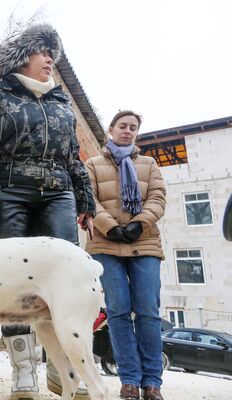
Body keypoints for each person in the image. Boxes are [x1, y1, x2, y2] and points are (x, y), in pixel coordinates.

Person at [0, 23, 95, 400]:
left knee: (63, 278)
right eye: (43, 51)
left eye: (53, 52)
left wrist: (85, 202)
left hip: (58, 194)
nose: (50, 59)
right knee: (13, 280)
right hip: (9, 193)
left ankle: (62, 367)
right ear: (23, 57)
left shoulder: (61, 102)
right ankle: (23, 370)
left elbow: (74, 160)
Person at [85, 110, 166, 400]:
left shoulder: (149, 164)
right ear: (111, 129)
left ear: (137, 133)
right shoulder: (92, 164)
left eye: (133, 127)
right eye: (123, 126)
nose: (128, 131)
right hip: (106, 245)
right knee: (118, 311)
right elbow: (88, 199)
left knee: (148, 312)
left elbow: (158, 197)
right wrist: (110, 227)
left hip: (144, 242)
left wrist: (138, 223)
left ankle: (152, 383)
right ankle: (129, 380)